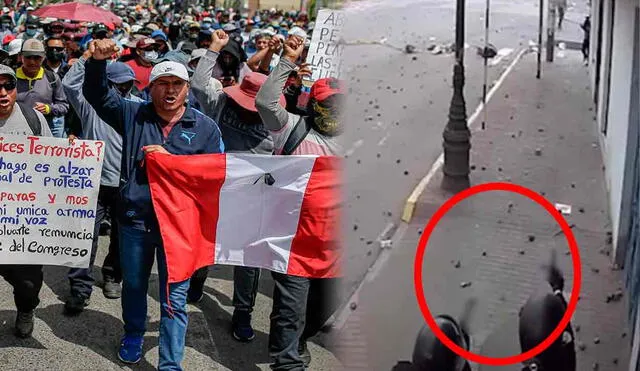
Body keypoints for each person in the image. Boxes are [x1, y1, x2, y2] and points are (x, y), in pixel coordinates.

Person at [83, 39, 224, 369]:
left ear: (188, 88)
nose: (170, 91)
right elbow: (97, 96)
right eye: (162, 84)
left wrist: (171, 161)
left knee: (174, 296)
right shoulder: (133, 113)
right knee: (133, 284)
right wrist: (97, 64)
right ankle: (133, 332)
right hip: (135, 222)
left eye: (177, 84)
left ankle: (170, 363)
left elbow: (218, 175)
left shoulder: (205, 128)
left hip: (181, 228)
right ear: (150, 89)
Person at [255, 35, 344, 369]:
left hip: (336, 247)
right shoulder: (292, 128)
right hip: (293, 241)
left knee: (322, 307)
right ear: (313, 105)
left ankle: (298, 339)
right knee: (291, 307)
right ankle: (287, 360)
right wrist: (287, 60)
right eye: (329, 105)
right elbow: (266, 103)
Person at [190, 29, 283, 342]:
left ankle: (243, 311)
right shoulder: (220, 103)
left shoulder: (277, 125)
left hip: (254, 199)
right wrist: (213, 50)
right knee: (205, 242)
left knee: (249, 259)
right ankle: (196, 281)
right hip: (216, 189)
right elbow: (199, 83)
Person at [62, 57, 144, 314]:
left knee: (122, 237)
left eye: (129, 84)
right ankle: (79, 289)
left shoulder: (139, 107)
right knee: (84, 237)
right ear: (107, 84)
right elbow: (69, 84)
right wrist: (88, 59)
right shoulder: (89, 105)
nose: (125, 90)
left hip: (125, 184)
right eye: (119, 85)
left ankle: (112, 276)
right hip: (92, 183)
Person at [0, 64, 53, 338]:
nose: (2, 92)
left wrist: (71, 151)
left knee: (28, 282)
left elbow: (52, 165)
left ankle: (26, 309)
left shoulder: (33, 119)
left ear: (15, 89)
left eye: (8, 85)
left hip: (24, 220)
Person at [16, 38, 69, 138]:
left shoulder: (52, 78)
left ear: (43, 58)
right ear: (21, 57)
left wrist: (49, 108)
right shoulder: (12, 78)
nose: (32, 62)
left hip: (45, 133)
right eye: (28, 57)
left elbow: (64, 106)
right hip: (18, 133)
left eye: (36, 58)